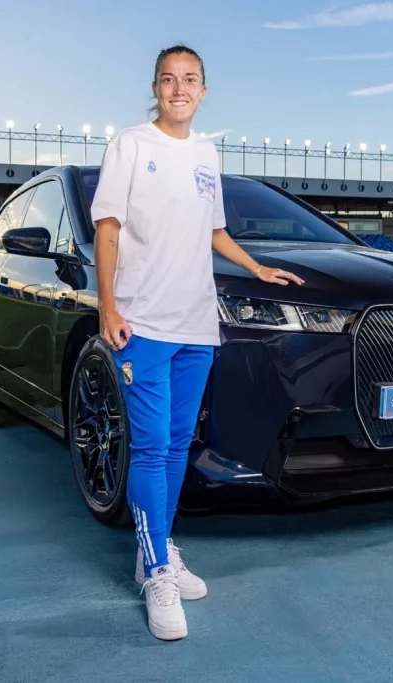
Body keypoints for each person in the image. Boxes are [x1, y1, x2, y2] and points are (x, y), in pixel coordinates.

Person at [89, 44, 304, 640]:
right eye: (168, 79)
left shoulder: (208, 153)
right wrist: (108, 306)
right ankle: (156, 572)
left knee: (180, 444)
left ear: (204, 90)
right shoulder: (130, 145)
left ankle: (158, 546)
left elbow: (214, 231)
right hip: (142, 323)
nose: (178, 89)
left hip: (195, 324)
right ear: (155, 88)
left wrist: (257, 269)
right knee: (153, 447)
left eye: (190, 80)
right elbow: (107, 230)